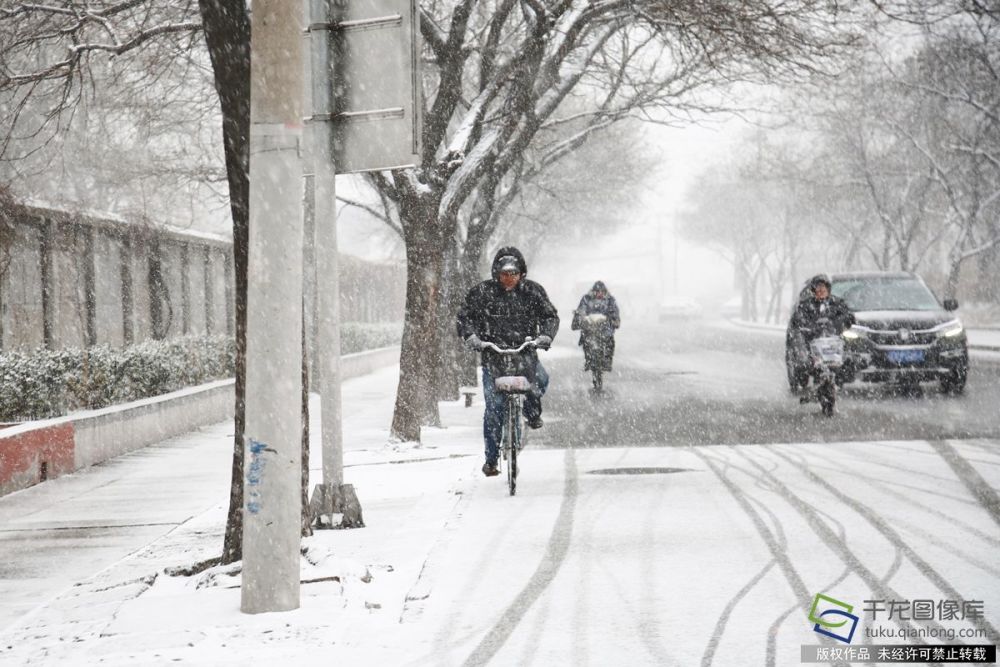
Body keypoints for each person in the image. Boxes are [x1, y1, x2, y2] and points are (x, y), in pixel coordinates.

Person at [456, 247, 560, 477]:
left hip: (525, 355)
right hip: (494, 358)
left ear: (521, 273)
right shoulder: (483, 292)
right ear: (497, 273)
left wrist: (545, 336)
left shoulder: (533, 292)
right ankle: (491, 460)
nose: (509, 278)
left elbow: (550, 316)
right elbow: (465, 316)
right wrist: (472, 336)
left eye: (513, 273)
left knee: (540, 381)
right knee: (494, 409)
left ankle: (532, 413)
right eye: (504, 274)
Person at [788, 274, 854, 391]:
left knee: (851, 352)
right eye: (818, 288)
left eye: (823, 287)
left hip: (834, 342)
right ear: (813, 290)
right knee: (802, 357)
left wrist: (835, 324)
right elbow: (798, 319)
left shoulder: (837, 303)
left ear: (828, 289)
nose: (821, 290)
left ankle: (837, 378)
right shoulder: (805, 305)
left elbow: (848, 317)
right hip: (813, 343)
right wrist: (811, 327)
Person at [571, 281, 620, 374]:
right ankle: (588, 360)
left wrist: (611, 319)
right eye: (598, 291)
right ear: (593, 291)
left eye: (602, 291)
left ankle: (607, 361)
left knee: (610, 342)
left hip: (606, 329)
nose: (600, 293)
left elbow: (614, 312)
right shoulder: (586, 299)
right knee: (585, 341)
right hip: (589, 328)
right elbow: (581, 309)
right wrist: (582, 317)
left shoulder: (610, 300)